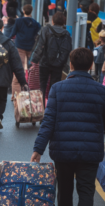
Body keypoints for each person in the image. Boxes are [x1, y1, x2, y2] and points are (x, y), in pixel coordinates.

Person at [31, 48, 105, 206]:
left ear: (70, 65)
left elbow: (48, 121)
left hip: (63, 151)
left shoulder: (57, 89)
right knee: (86, 191)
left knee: (64, 192)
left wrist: (38, 149)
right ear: (91, 65)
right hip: (90, 152)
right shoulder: (101, 91)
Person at [30, 12, 72, 104]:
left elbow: (40, 46)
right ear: (63, 22)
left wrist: (34, 60)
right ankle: (51, 109)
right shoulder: (66, 34)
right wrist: (61, 63)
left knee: (42, 87)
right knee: (54, 87)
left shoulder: (46, 30)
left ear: (53, 21)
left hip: (44, 62)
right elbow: (67, 50)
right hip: (58, 65)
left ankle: (41, 111)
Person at [9, 4, 41, 100]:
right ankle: (33, 94)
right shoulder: (36, 23)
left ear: (23, 11)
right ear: (31, 11)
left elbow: (13, 33)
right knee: (33, 70)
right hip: (31, 48)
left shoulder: (18, 21)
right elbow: (38, 35)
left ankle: (15, 95)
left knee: (19, 70)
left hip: (20, 47)